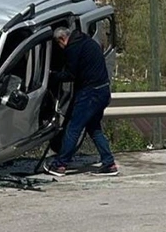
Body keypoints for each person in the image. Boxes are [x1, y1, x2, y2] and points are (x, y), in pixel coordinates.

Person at [45, 27, 119, 177]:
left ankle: (60, 165)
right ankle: (109, 163)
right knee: (94, 129)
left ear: (61, 40)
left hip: (90, 94)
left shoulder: (73, 48)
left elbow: (70, 74)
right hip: (103, 90)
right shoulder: (88, 41)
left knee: (73, 128)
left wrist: (52, 76)